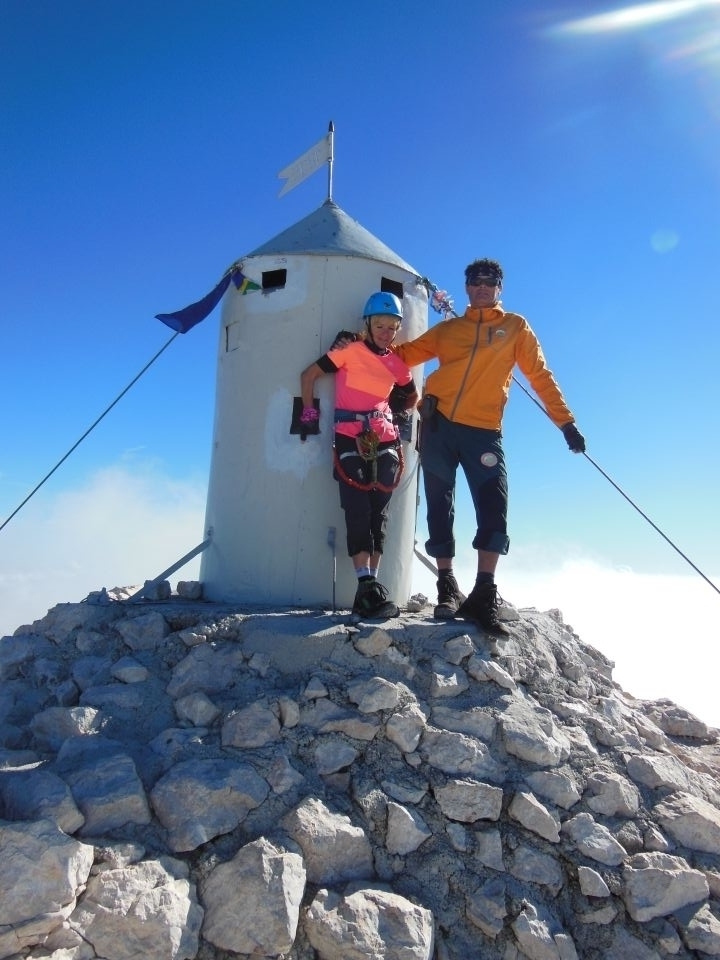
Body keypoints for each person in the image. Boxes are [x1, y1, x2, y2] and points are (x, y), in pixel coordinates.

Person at [391, 258, 585, 635]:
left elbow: (540, 376)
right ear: (466, 287)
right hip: (438, 426)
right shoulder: (448, 330)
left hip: (483, 431)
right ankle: (446, 587)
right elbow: (402, 356)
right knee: (439, 505)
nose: (482, 286)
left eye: (490, 281)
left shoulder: (514, 328)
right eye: (475, 281)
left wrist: (566, 423)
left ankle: (483, 591)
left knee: (494, 506)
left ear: (500, 288)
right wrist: (361, 343)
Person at [298, 292, 418, 619]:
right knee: (357, 506)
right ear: (367, 324)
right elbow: (309, 376)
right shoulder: (348, 351)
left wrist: (397, 415)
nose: (386, 331)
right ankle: (365, 586)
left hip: (386, 440)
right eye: (380, 325)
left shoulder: (396, 362)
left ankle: (372, 588)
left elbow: (410, 394)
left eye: (392, 326)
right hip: (350, 436)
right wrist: (308, 417)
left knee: (379, 513)